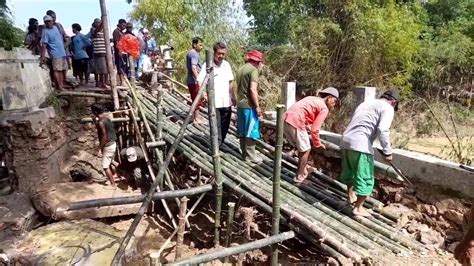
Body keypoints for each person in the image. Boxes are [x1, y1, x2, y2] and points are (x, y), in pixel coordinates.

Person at [339, 89, 400, 216]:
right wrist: (387, 151)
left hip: (346, 140)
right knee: (365, 176)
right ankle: (358, 208)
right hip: (361, 144)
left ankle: (350, 196)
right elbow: (383, 130)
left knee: (349, 172)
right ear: (394, 102)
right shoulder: (388, 108)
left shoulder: (365, 104)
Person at [284, 87, 339, 183]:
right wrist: (317, 144)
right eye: (334, 101)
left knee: (301, 145)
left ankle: (303, 170)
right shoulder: (324, 108)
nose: (333, 105)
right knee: (306, 149)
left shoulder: (311, 98)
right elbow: (315, 129)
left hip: (285, 118)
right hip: (296, 121)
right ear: (329, 97)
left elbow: (303, 112)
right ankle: (299, 177)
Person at [197, 42, 236, 147]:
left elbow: (231, 82)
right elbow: (200, 81)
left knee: (225, 125)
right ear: (214, 53)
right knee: (216, 125)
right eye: (219, 53)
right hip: (215, 101)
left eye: (223, 54)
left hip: (226, 101)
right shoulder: (208, 65)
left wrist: (233, 96)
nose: (221, 56)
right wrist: (204, 94)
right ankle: (216, 146)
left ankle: (220, 143)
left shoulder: (226, 65)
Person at [236, 50, 264, 163]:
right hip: (249, 105)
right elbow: (253, 89)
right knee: (251, 130)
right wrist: (257, 106)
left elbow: (234, 85)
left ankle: (244, 153)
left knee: (243, 130)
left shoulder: (241, 69)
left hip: (240, 104)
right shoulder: (253, 70)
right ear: (258, 62)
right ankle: (250, 155)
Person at [91, 103, 118, 186]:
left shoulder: (101, 122)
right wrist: (95, 120)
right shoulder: (106, 119)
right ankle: (116, 175)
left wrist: (98, 148)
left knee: (105, 166)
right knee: (111, 161)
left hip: (108, 145)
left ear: (95, 112)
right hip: (113, 143)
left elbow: (104, 137)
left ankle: (113, 185)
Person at [40, 15, 68, 91]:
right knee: (56, 70)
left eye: (49, 21)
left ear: (52, 21)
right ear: (45, 23)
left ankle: (61, 85)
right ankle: (59, 86)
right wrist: (42, 56)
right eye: (46, 22)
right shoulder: (45, 32)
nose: (48, 23)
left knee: (61, 70)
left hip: (62, 53)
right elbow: (44, 44)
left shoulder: (56, 28)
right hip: (55, 53)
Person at [186, 37, 204, 123]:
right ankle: (196, 118)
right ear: (194, 44)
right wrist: (198, 79)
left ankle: (194, 116)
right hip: (194, 80)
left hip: (191, 80)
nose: (201, 47)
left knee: (195, 98)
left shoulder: (190, 53)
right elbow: (194, 68)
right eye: (200, 45)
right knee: (197, 99)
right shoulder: (194, 54)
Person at [91, 18, 108, 88]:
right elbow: (97, 30)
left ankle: (101, 82)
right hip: (98, 52)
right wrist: (103, 22)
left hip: (104, 52)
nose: (98, 24)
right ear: (94, 23)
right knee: (99, 69)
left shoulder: (103, 31)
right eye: (97, 22)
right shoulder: (93, 29)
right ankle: (99, 82)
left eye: (99, 22)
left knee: (103, 69)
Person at [113, 19, 127, 85]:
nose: (124, 27)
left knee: (124, 67)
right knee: (120, 67)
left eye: (125, 25)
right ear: (119, 24)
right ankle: (122, 81)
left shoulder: (122, 32)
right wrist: (119, 51)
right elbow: (116, 42)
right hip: (119, 52)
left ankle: (123, 81)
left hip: (124, 52)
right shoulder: (116, 31)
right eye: (123, 25)